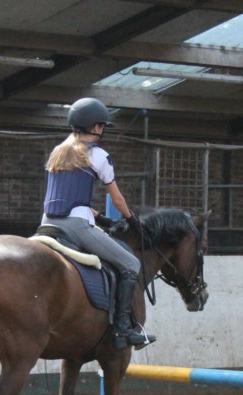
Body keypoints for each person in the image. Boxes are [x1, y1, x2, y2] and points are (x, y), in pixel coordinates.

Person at [41, 97, 155, 350]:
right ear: (95, 126)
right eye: (102, 125)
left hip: (47, 224)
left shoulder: (57, 152)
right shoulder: (98, 155)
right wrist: (131, 219)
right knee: (131, 263)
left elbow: (66, 196)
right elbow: (117, 198)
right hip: (75, 227)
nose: (102, 130)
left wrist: (97, 214)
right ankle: (123, 329)